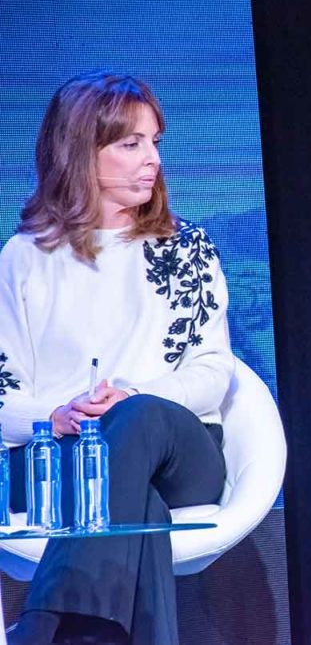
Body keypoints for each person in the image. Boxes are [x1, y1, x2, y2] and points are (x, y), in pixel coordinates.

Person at [0, 71, 233, 644]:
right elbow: (3, 393)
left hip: (180, 454)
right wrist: (56, 414)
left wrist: (133, 397)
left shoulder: (185, 248)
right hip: (64, 463)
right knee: (135, 504)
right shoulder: (25, 257)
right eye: (130, 143)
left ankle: (44, 626)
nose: (151, 158)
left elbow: (211, 374)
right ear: (80, 151)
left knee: (135, 418)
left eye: (155, 141)